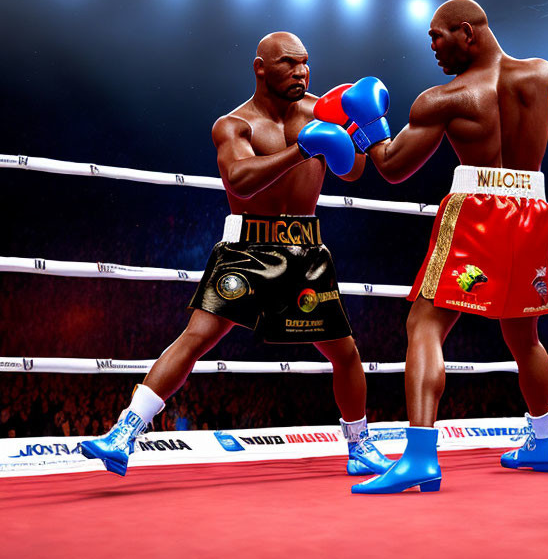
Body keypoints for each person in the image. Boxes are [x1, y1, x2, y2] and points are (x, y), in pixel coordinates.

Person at [81, 32, 393, 477]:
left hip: (303, 247)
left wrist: (359, 133)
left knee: (345, 354)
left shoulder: (323, 109)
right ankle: (123, 433)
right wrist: (302, 148)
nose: (301, 72)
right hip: (248, 246)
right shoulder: (234, 125)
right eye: (288, 63)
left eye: (305, 62)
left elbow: (352, 169)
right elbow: (242, 179)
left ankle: (360, 445)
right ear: (260, 68)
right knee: (195, 338)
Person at [319, 0, 548, 494]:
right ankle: (542, 439)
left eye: (437, 36)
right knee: (523, 335)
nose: (431, 48)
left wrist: (362, 127)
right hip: (534, 210)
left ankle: (420, 456)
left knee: (424, 322)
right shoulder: (542, 74)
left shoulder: (445, 98)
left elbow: (391, 167)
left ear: (467, 32)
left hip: (477, 212)